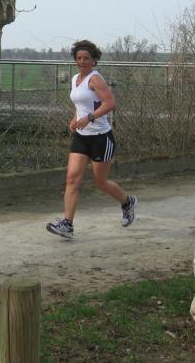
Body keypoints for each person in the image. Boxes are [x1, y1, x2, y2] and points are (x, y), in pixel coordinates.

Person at [46, 39, 137, 239]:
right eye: (79, 58)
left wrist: (89, 118)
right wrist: (76, 118)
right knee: (72, 179)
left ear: (94, 60)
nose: (82, 62)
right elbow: (83, 104)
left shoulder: (95, 79)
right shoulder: (75, 79)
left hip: (101, 138)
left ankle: (127, 202)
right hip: (82, 136)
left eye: (86, 58)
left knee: (101, 182)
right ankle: (67, 225)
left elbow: (110, 103)